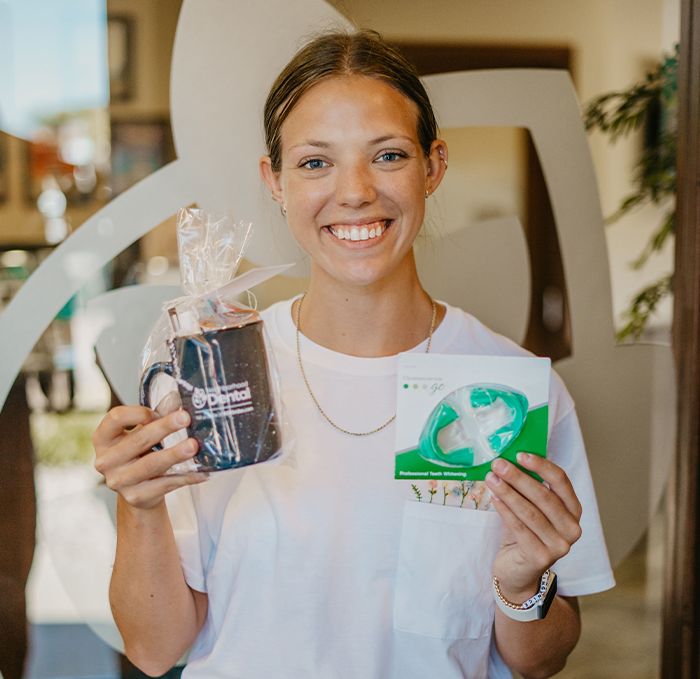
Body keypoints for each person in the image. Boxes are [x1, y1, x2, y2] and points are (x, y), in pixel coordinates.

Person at [93, 30, 614, 679]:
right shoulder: (216, 380)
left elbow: (541, 660)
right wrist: (140, 506)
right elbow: (153, 647)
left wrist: (523, 580)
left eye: (388, 155)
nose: (356, 191)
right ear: (274, 181)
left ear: (433, 166)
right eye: (315, 162)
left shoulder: (507, 389)